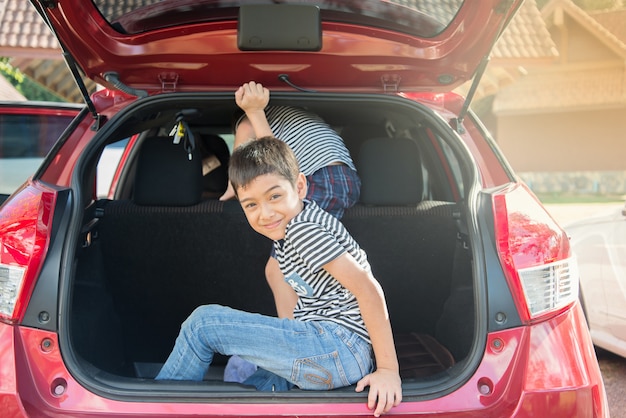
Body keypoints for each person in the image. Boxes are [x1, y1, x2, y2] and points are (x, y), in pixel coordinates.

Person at [156, 137, 402, 416]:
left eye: (274, 196)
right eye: (251, 205)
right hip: (334, 353)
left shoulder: (303, 231)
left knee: (202, 325)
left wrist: (388, 370)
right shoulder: (295, 226)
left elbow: (368, 289)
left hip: (338, 348)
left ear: (299, 186)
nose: (266, 213)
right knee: (259, 386)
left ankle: (154, 410)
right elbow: (282, 280)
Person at [221, 81, 360, 319]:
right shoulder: (296, 115)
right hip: (340, 177)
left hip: (322, 176)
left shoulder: (248, 120)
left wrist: (227, 192)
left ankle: (294, 343)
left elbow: (264, 162)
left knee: (277, 270)